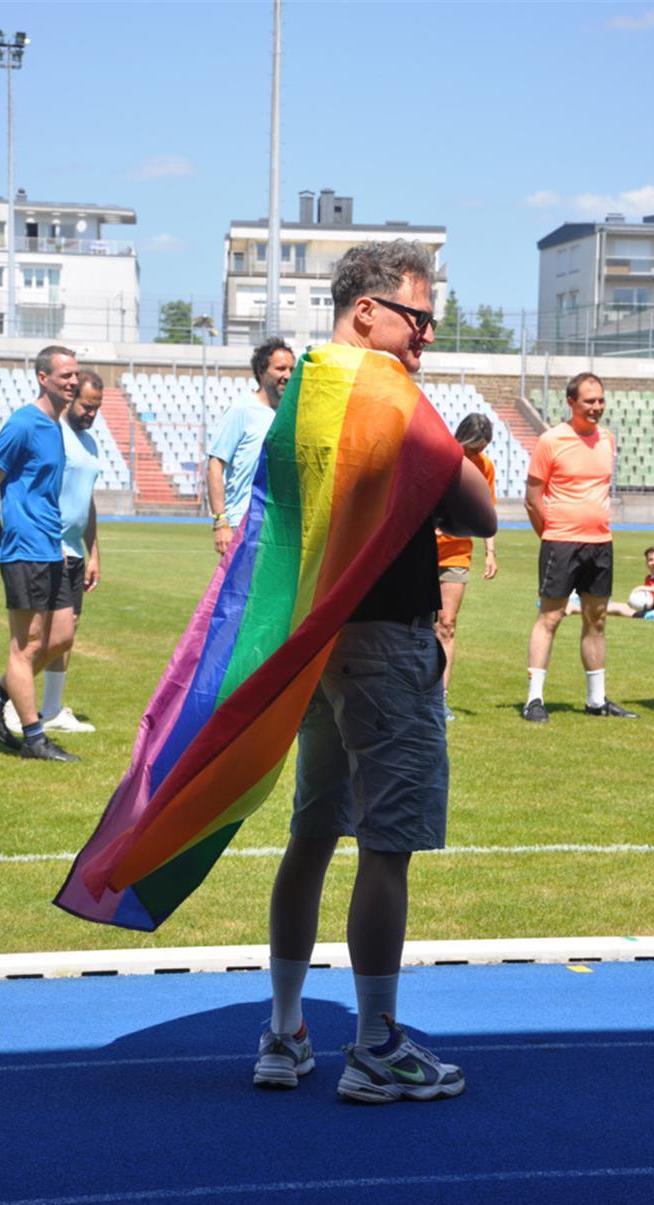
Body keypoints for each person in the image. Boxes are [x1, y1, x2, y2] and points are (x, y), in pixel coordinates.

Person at [253, 241, 496, 1103]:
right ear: (368, 312)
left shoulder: (301, 391)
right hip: (385, 638)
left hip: (311, 639)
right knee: (387, 843)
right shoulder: (385, 387)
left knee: (312, 832)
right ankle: (376, 1044)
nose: (425, 338)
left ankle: (284, 1031)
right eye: (417, 319)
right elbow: (481, 510)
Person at [0, 346, 81, 763]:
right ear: (42, 377)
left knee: (62, 636)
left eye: (74, 375)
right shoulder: (24, 423)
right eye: (64, 375)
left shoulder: (55, 425)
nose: (71, 382)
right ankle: (34, 737)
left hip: (51, 548)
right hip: (24, 549)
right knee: (26, 646)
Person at [522, 372, 637, 722]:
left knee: (597, 619)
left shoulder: (608, 439)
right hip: (561, 543)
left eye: (600, 400)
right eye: (589, 401)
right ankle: (534, 700)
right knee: (551, 617)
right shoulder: (551, 441)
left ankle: (596, 700)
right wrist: (553, 534)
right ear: (571, 402)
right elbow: (532, 499)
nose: (596, 407)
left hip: (601, 543)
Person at [4, 371, 103, 735]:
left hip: (75, 549)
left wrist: (93, 552)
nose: (91, 414)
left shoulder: (90, 444)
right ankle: (11, 702)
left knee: (67, 632)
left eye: (97, 408)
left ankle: (52, 707)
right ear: (71, 399)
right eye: (86, 406)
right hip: (47, 547)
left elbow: (87, 502)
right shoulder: (51, 435)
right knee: (41, 636)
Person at [435, 413, 498, 721]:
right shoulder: (438, 456)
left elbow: (486, 510)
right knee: (417, 627)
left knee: (447, 624)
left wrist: (490, 552)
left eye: (481, 449)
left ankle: (440, 699)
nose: (476, 455)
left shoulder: (484, 467)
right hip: (421, 553)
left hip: (456, 554)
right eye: (472, 449)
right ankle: (414, 695)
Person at [206, 338, 295, 555]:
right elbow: (215, 465)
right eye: (280, 368)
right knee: (238, 589)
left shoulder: (292, 415)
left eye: (292, 369)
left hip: (279, 527)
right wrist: (220, 522)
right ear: (261, 371)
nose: (288, 375)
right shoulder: (242, 410)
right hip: (243, 524)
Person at [565, 544, 654, 618]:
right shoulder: (649, 578)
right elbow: (649, 600)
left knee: (611, 608)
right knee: (616, 608)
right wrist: (634, 601)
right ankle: (574, 607)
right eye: (650, 560)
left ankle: (574, 607)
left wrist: (647, 588)